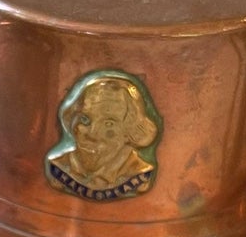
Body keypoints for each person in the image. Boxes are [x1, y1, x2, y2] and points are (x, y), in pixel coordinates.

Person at [45, 70, 160, 198]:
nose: (92, 134)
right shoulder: (60, 167)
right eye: (84, 119)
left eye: (108, 124)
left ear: (130, 131)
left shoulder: (139, 174)